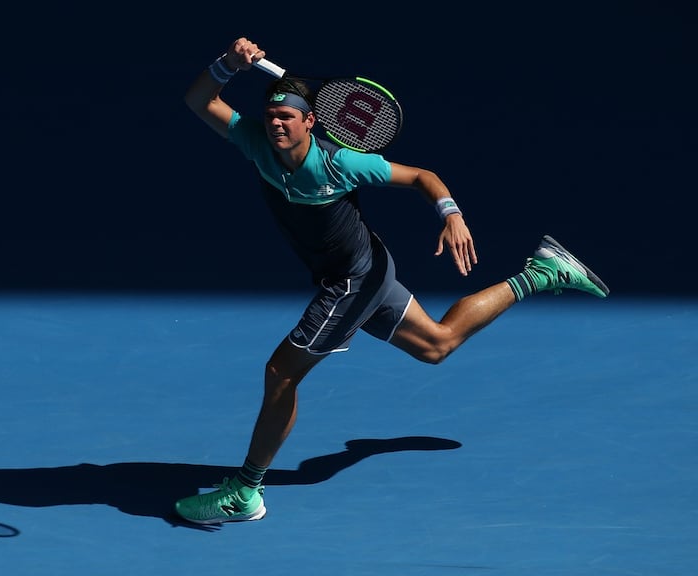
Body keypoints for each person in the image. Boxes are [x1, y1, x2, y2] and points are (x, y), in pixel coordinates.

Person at [173, 37, 610, 525]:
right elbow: (199, 100)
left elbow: (423, 176)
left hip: (353, 281)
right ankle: (544, 272)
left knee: (281, 373)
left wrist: (451, 213)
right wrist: (228, 65)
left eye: (287, 116)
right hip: (369, 269)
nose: (276, 122)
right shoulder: (254, 140)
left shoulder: (341, 162)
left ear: (310, 121)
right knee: (436, 345)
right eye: (271, 114)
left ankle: (246, 491)